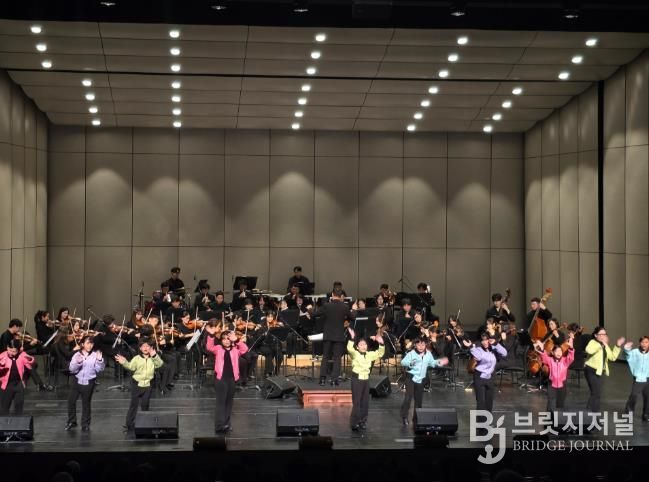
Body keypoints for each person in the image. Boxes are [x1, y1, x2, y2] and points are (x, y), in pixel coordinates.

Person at [204, 327, 249, 434]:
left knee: (229, 402)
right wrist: (211, 336)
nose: (226, 341)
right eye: (224, 339)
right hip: (221, 379)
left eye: (228, 339)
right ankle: (219, 425)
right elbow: (209, 347)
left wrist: (237, 340)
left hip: (232, 379)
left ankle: (227, 424)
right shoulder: (218, 348)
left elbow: (245, 349)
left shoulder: (235, 350)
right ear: (221, 340)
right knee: (221, 402)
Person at [115, 338, 163, 432]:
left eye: (147, 346)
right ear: (140, 348)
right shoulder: (137, 358)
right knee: (134, 405)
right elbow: (131, 367)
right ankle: (129, 424)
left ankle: (145, 422)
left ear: (151, 347)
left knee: (145, 404)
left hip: (148, 385)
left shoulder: (153, 358)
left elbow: (160, 364)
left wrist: (155, 356)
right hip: (136, 384)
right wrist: (124, 362)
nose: (145, 348)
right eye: (143, 346)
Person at [400, 338, 449, 425]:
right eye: (418, 345)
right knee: (408, 398)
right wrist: (410, 364)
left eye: (422, 345)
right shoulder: (411, 353)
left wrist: (439, 362)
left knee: (419, 400)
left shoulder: (428, 354)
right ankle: (404, 417)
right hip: (411, 378)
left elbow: (432, 363)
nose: (421, 347)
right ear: (415, 345)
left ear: (425, 345)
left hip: (420, 379)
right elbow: (403, 362)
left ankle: (416, 418)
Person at [346, 328, 384, 431]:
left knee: (365, 402)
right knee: (357, 402)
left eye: (365, 344)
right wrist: (352, 338)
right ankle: (354, 423)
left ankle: (363, 421)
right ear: (357, 347)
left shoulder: (370, 354)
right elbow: (349, 348)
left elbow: (379, 353)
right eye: (361, 344)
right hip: (357, 380)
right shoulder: (355, 354)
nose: (363, 346)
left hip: (366, 380)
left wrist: (381, 344)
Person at [316, 288, 355, 386]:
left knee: (325, 357)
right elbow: (352, 317)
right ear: (341, 296)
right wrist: (353, 310)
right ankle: (334, 380)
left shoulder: (327, 305)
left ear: (332, 295)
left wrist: (309, 308)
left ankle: (322, 379)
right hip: (338, 336)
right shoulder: (345, 307)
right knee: (337, 358)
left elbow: (315, 314)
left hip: (328, 335)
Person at [66, 335, 105, 431]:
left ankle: (85, 424)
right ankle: (72, 421)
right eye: (87, 343)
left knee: (86, 403)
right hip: (76, 381)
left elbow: (100, 369)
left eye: (91, 343)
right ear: (82, 344)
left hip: (89, 382)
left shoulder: (95, 355)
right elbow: (71, 369)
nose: (90, 345)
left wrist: (100, 360)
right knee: (71, 401)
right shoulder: (77, 355)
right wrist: (78, 363)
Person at [464, 333, 507, 416]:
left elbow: (504, 353)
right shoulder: (478, 349)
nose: (484, 342)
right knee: (481, 401)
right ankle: (480, 422)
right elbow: (479, 356)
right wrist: (471, 346)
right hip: (479, 376)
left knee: (489, 401)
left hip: (490, 377)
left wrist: (495, 343)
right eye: (482, 340)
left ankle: (488, 420)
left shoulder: (494, 349)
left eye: (486, 340)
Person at [583, 326, 624, 412]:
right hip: (590, 370)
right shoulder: (593, 342)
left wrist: (617, 346)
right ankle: (594, 413)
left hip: (599, 372)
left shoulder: (605, 345)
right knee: (596, 393)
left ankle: (589, 411)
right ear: (595, 335)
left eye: (605, 334)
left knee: (595, 392)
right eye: (601, 334)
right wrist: (601, 345)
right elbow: (589, 350)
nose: (603, 336)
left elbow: (612, 357)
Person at [533, 333, 575, 411]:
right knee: (551, 401)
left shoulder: (565, 361)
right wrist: (542, 349)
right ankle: (549, 415)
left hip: (562, 384)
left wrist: (571, 348)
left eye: (560, 351)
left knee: (560, 403)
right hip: (551, 384)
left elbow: (571, 358)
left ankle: (558, 416)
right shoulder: (550, 360)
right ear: (552, 353)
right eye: (556, 351)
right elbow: (544, 358)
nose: (559, 353)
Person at [0, 339, 35, 414]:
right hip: (6, 385)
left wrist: (29, 359)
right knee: (4, 409)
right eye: (10, 350)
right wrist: (1, 366)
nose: (12, 353)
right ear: (7, 348)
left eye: (15, 351)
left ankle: (18, 420)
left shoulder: (21, 355)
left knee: (19, 408)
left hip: (19, 384)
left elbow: (30, 363)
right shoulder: (2, 356)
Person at [623, 336, 649, 421]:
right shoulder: (635, 352)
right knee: (633, 395)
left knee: (648, 397)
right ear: (640, 343)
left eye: (646, 342)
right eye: (642, 342)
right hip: (638, 378)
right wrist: (627, 348)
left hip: (648, 378)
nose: (644, 344)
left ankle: (646, 415)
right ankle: (628, 414)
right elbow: (627, 356)